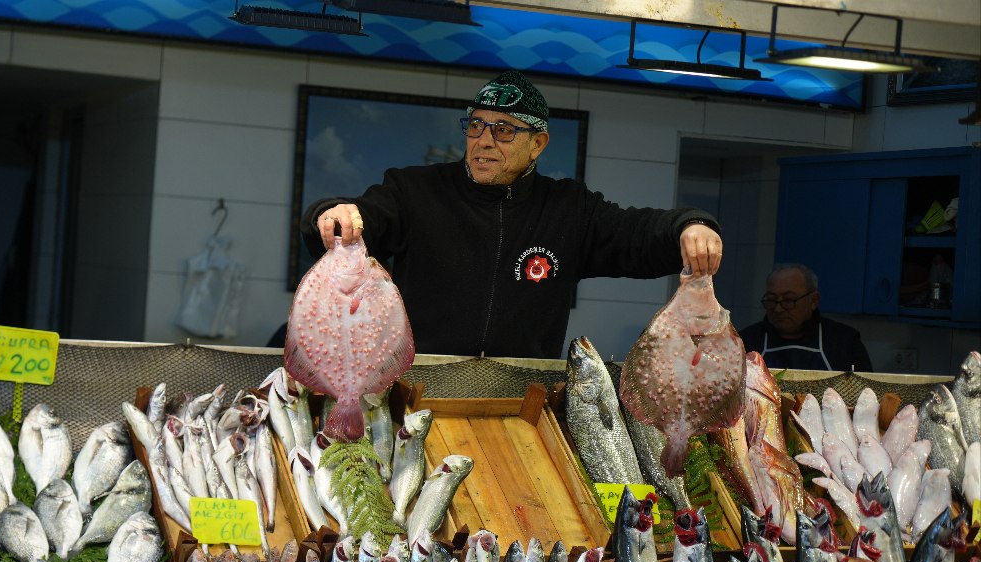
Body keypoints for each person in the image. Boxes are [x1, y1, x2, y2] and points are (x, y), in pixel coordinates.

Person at [300, 70, 723, 359]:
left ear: (537, 144)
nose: (483, 141)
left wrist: (690, 226)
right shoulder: (414, 189)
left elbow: (637, 235)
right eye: (476, 126)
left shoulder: (569, 207)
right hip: (417, 385)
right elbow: (365, 218)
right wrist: (333, 214)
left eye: (503, 130)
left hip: (524, 400)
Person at [738, 263, 873, 372]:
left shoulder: (845, 342)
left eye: (788, 300)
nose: (778, 309)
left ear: (814, 300)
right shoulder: (745, 341)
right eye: (772, 300)